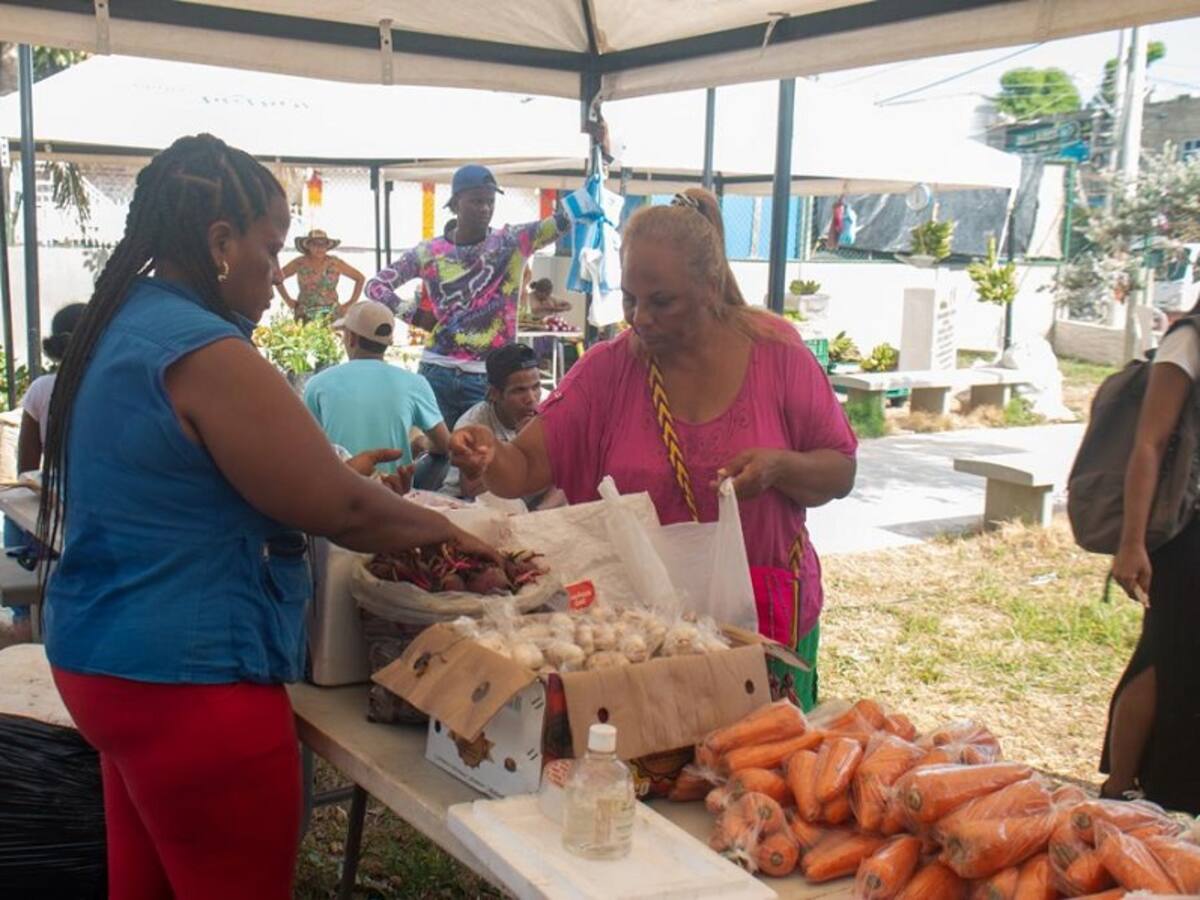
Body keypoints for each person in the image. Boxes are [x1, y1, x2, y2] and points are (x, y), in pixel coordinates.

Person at [38, 133, 496, 900]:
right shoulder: (205, 351)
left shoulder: (122, 322)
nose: (277, 272)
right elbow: (343, 507)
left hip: (104, 660)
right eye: (271, 248)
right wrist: (454, 532)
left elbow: (190, 483)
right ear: (221, 245)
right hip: (190, 681)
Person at [451, 188, 857, 710]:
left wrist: (780, 466)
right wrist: (489, 455)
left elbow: (839, 471)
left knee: (754, 770)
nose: (639, 317)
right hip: (644, 636)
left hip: (766, 620)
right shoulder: (609, 369)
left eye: (661, 301)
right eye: (629, 299)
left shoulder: (777, 354)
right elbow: (525, 466)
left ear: (709, 287)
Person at [365, 164, 572, 428]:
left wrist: (602, 158)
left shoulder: (511, 241)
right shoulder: (429, 252)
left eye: (490, 201)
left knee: (484, 460)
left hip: (488, 379)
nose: (485, 208)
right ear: (455, 203)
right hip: (436, 371)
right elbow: (376, 285)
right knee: (432, 456)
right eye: (476, 201)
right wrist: (414, 314)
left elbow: (563, 222)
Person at [1104, 303, 1200, 814]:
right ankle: (1120, 787)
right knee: (1163, 653)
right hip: (1183, 531)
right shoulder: (1187, 340)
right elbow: (1149, 443)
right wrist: (1132, 541)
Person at [0, 303, 87, 647]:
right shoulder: (110, 384)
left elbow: (27, 466)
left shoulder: (41, 389)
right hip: (95, 494)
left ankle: (24, 619)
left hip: (54, 496)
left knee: (17, 517)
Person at [304, 301, 448, 472]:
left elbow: (305, 446)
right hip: (393, 492)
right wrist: (420, 442)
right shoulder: (415, 383)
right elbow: (445, 445)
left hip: (337, 491)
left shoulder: (318, 384)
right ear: (388, 342)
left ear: (351, 339)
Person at [443, 343, 560, 509]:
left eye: (536, 387)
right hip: (471, 507)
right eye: (519, 391)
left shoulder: (551, 410)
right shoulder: (473, 424)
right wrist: (518, 446)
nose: (531, 399)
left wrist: (540, 514)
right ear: (495, 394)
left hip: (534, 511)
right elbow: (472, 489)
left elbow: (570, 473)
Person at [277, 228, 365, 322]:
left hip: (332, 315)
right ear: (308, 245)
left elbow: (360, 278)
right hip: (304, 315)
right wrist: (288, 300)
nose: (320, 248)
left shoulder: (335, 263)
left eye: (323, 244)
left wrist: (349, 304)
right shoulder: (299, 263)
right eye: (315, 244)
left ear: (327, 246)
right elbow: (277, 277)